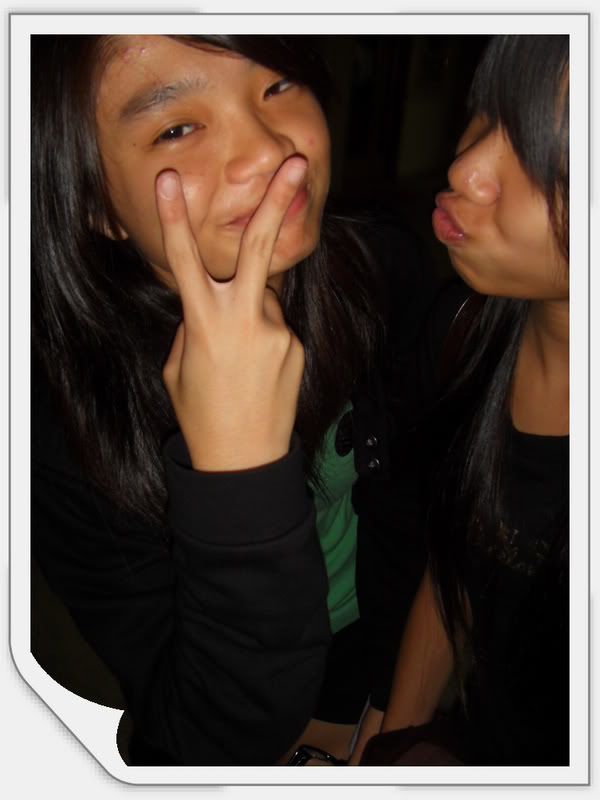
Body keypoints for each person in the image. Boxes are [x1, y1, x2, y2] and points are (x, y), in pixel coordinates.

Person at [31, 34, 433, 766]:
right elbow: (203, 732)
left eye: (278, 85)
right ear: (96, 204)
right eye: (177, 128)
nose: (269, 151)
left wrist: (390, 707)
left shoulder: (384, 268)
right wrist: (238, 472)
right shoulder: (60, 424)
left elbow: (414, 507)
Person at [355, 34, 569, 766]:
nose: (465, 168)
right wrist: (391, 742)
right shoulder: (463, 332)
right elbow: (457, 564)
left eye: (553, 162)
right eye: (489, 109)